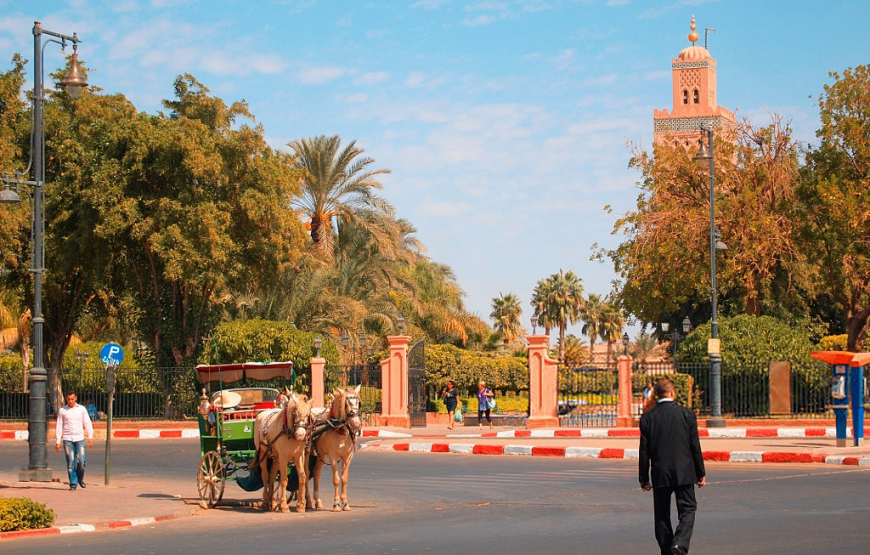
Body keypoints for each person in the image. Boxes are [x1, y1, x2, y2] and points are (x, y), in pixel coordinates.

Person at [639, 377, 706, 555]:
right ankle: (679, 543)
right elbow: (695, 446)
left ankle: (667, 551)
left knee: (661, 514)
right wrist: (700, 472)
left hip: (660, 473)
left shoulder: (647, 418)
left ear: (655, 395)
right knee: (688, 509)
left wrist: (643, 478)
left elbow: (644, 451)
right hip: (684, 472)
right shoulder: (687, 414)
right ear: (673, 392)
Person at [55, 390, 94, 491]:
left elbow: (87, 423)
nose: (70, 401)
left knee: (82, 461)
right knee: (70, 463)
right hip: (68, 439)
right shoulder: (63, 410)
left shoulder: (81, 409)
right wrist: (58, 441)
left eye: (72, 399)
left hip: (79, 438)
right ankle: (73, 484)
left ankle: (80, 478)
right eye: (68, 399)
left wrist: (90, 436)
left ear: (75, 398)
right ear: (66, 399)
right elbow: (59, 426)